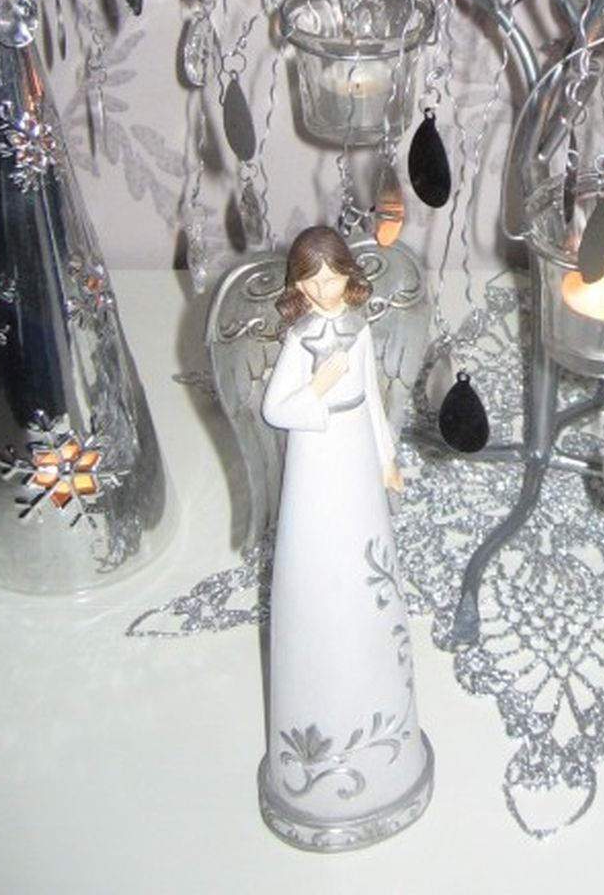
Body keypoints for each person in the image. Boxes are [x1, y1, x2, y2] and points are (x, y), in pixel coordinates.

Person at [257, 225, 432, 851]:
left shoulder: (358, 328)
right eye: (314, 281)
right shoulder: (300, 339)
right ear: (299, 286)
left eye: (333, 278)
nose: (325, 289)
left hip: (356, 447)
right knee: (320, 558)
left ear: (348, 277)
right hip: (317, 455)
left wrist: (386, 456)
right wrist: (317, 389)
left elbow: (376, 404)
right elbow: (276, 409)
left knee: (365, 563)